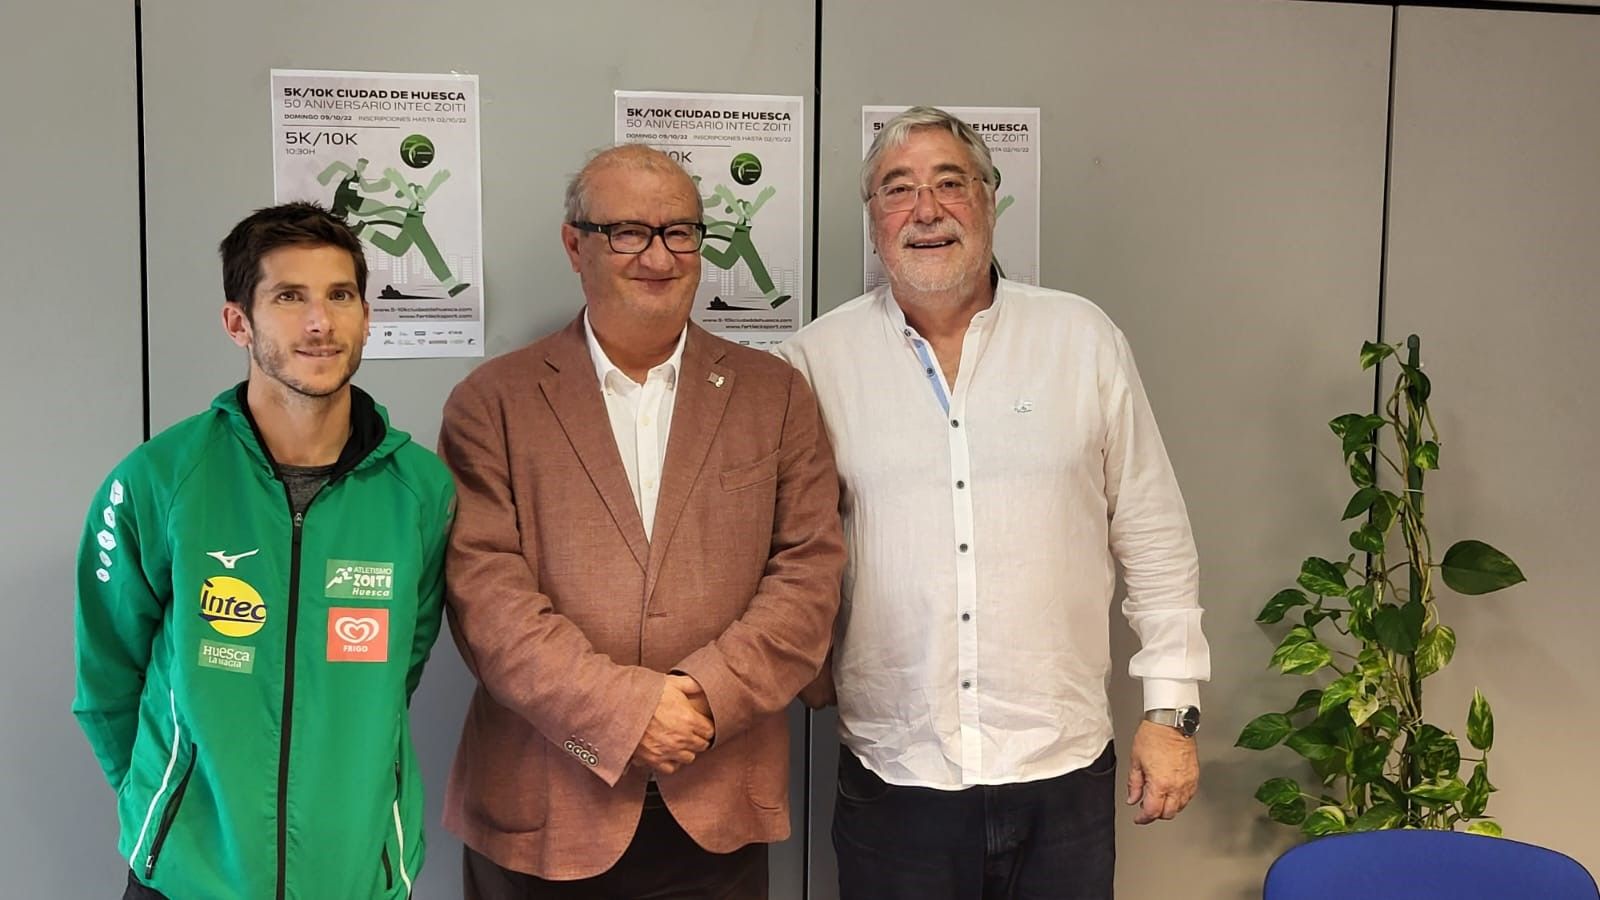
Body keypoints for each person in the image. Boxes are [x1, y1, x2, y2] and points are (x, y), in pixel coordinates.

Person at [778, 106, 1210, 899]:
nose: (927, 210)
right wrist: (807, 663)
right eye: (897, 190)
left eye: (952, 183)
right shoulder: (815, 359)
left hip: (1062, 768)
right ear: (873, 218)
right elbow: (783, 542)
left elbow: (1154, 532)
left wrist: (1171, 712)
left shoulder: (1082, 338)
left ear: (990, 199)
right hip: (894, 772)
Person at [438, 144, 844, 899]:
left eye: (680, 232)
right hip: (543, 809)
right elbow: (487, 602)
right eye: (628, 231)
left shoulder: (773, 395)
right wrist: (628, 714)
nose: (658, 255)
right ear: (575, 245)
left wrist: (701, 698)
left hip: (716, 795)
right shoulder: (493, 401)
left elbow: (808, 578)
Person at [72, 202, 456, 900]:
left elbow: (402, 664)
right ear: (237, 322)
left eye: (341, 295)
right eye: (289, 297)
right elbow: (106, 677)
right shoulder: (162, 477)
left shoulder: (421, 490)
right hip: (186, 878)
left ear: (367, 315)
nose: (320, 322)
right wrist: (169, 808)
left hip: (356, 878)